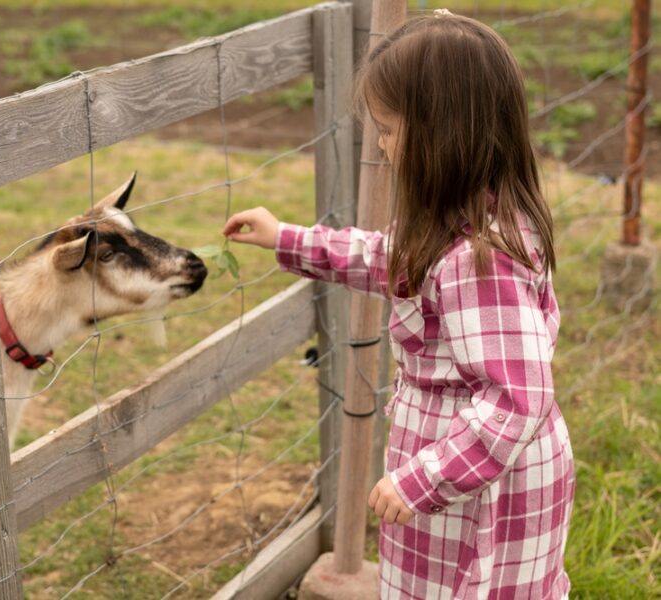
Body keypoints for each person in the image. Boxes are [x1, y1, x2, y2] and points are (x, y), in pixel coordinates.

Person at [222, 12, 575, 599]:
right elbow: (393, 261)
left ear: (443, 132)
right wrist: (287, 238)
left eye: (388, 129)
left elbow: (518, 400)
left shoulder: (480, 260)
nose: (382, 147)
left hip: (475, 493)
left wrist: (422, 480)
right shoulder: (463, 220)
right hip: (468, 471)